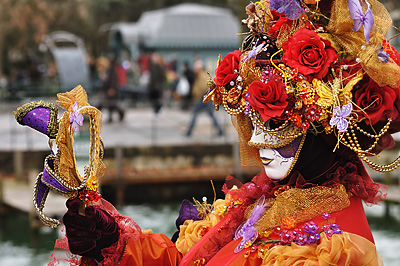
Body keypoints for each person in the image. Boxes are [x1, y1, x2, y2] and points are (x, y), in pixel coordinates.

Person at [14, 0, 400, 265]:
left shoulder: (335, 250)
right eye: (253, 120)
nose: (256, 140)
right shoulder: (261, 201)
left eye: (277, 122)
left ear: (324, 132)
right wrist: (114, 242)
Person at [185, 59, 224, 137]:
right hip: (204, 98)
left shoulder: (201, 75)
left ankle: (189, 132)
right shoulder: (201, 74)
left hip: (203, 99)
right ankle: (219, 130)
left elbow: (204, 87)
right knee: (210, 115)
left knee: (196, 114)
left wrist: (196, 93)